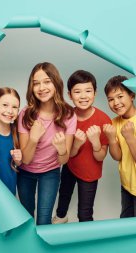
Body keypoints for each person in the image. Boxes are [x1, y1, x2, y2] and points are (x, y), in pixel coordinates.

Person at [17, 62, 77, 225]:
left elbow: (63, 161)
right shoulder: (25, 113)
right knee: (27, 217)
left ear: (56, 82)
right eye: (36, 83)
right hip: (25, 172)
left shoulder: (69, 114)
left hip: (50, 172)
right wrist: (34, 139)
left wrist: (61, 150)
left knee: (44, 220)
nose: (41, 88)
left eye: (47, 81)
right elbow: (26, 159)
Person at [52, 70, 111, 224]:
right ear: (70, 95)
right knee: (63, 196)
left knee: (85, 213)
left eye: (88, 91)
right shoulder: (67, 117)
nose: (83, 96)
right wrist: (77, 143)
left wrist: (95, 142)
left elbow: (100, 156)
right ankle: (60, 218)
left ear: (95, 93)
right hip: (70, 167)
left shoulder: (104, 119)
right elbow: (67, 155)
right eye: (77, 92)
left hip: (90, 173)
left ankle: (87, 237)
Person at [102, 75, 136, 217]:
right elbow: (117, 156)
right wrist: (111, 139)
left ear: (132, 96)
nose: (116, 103)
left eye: (120, 96)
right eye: (111, 99)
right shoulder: (114, 122)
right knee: (126, 223)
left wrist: (129, 137)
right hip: (127, 184)